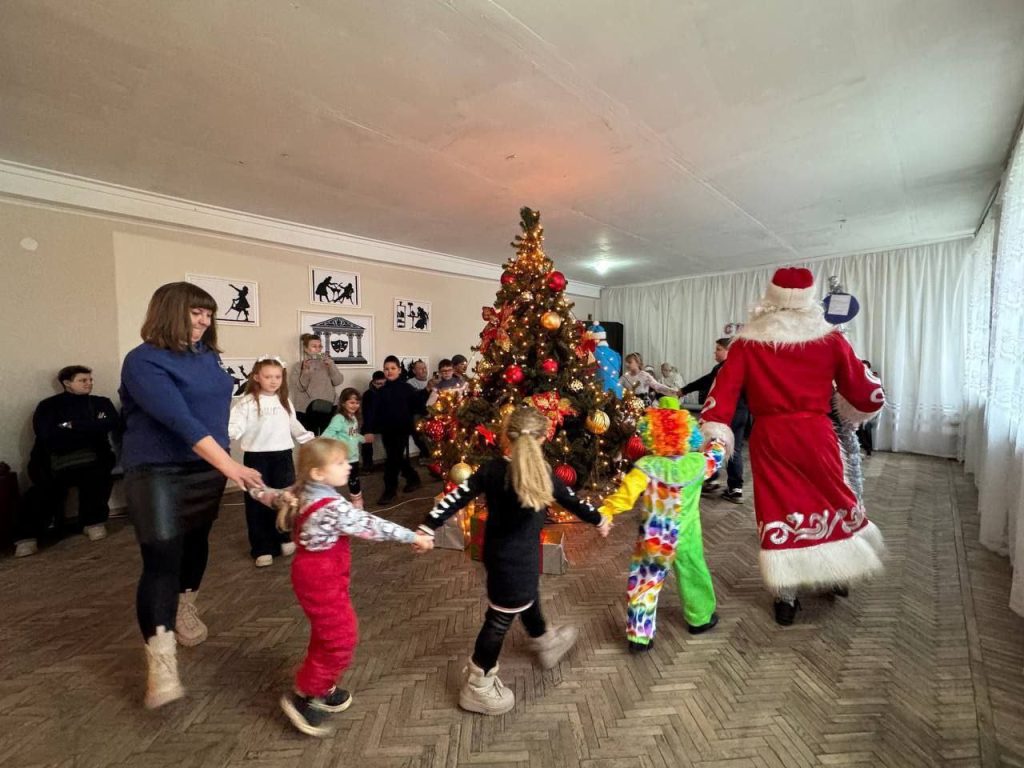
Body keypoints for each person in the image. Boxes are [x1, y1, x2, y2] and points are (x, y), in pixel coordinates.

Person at [700, 267, 885, 626]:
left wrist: (716, 435)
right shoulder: (830, 338)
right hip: (817, 435)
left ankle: (786, 597)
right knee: (829, 501)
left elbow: (722, 394)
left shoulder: (748, 342)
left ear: (770, 298)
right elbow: (863, 392)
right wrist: (871, 394)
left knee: (779, 508)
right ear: (809, 298)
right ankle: (836, 574)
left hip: (771, 438)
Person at [119, 281, 263, 708]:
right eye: (195, 312)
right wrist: (232, 466)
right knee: (162, 556)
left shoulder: (208, 357)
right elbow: (179, 419)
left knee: (196, 542)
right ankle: (161, 659)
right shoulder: (143, 360)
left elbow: (214, 411)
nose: (203, 320)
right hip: (157, 470)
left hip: (205, 469)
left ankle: (184, 605)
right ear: (168, 311)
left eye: (208, 314)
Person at [416, 407, 609, 715]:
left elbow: (456, 496)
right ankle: (478, 685)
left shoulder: (492, 470)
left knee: (524, 597)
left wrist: (429, 525)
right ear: (543, 438)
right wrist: (599, 519)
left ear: (506, 435)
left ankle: (543, 639)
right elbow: (573, 501)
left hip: (498, 556)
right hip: (516, 564)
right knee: (499, 619)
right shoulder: (544, 474)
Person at [250, 438, 431, 737]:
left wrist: (253, 488)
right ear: (318, 473)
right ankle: (306, 695)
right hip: (321, 579)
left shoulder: (301, 490)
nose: (348, 466)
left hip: (315, 576)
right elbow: (373, 526)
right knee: (341, 638)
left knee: (326, 632)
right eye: (339, 462)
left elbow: (272, 497)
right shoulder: (332, 507)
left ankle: (321, 684)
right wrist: (414, 537)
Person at [599, 398, 727, 652]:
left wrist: (606, 511)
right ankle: (700, 618)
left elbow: (624, 497)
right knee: (694, 573)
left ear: (653, 433)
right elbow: (716, 456)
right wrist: (718, 441)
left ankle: (639, 637)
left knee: (645, 581)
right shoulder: (697, 463)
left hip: (655, 539)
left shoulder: (646, 467)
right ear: (687, 432)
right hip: (687, 536)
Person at [14, 365, 119, 557]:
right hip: (53, 461)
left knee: (98, 477)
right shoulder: (48, 406)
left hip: (95, 458)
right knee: (42, 492)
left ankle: (93, 522)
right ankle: (27, 537)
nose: (89, 383)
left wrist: (72, 425)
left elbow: (110, 423)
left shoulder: (100, 403)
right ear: (67, 383)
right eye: (83, 380)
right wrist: (89, 428)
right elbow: (47, 435)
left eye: (90, 380)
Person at [228, 356, 313, 567]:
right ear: (257, 377)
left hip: (282, 457)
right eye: (268, 377)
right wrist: (226, 434)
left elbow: (294, 425)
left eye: (277, 377)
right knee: (258, 503)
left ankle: (284, 538)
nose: (274, 381)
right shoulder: (247, 402)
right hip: (256, 459)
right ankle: (262, 547)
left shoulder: (284, 401)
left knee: (286, 499)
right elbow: (234, 426)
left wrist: (310, 441)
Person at [681, 338, 751, 504]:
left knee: (714, 443)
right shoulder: (742, 368)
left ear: (729, 351)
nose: (715, 352)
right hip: (741, 413)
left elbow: (705, 381)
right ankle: (735, 488)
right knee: (734, 448)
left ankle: (712, 478)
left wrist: (684, 390)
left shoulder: (724, 368)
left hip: (725, 415)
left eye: (719, 349)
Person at [363, 356, 432, 506]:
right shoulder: (381, 391)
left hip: (402, 429)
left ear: (399, 370)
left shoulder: (406, 388)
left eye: (393, 368)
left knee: (392, 460)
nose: (389, 371)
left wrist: (427, 413)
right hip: (387, 430)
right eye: (386, 369)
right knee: (396, 457)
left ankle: (390, 490)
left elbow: (417, 404)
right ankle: (413, 478)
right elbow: (372, 412)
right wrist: (368, 430)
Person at [323, 388, 369, 509]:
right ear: (343, 403)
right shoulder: (339, 418)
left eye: (357, 403)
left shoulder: (353, 418)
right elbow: (327, 435)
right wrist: (337, 447)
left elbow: (352, 435)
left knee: (354, 481)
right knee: (334, 481)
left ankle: (357, 504)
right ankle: (329, 504)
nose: (355, 405)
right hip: (341, 459)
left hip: (353, 457)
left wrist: (363, 439)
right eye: (351, 402)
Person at [289, 334, 344, 436]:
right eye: (314, 346)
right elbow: (300, 388)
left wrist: (331, 366)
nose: (317, 349)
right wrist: (305, 372)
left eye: (320, 346)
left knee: (328, 440)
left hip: (329, 406)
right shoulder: (298, 366)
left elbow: (338, 381)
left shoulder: (328, 364)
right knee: (310, 441)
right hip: (306, 409)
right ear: (306, 349)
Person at [359, 371, 386, 472]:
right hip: (373, 422)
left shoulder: (389, 391)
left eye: (384, 383)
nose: (382, 386)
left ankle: (394, 461)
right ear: (373, 382)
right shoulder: (368, 394)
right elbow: (367, 413)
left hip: (387, 421)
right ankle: (367, 464)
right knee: (365, 433)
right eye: (379, 384)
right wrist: (368, 429)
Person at [856, 360, 879, 457]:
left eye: (865, 367)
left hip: (867, 409)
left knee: (861, 424)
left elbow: (877, 396)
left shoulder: (873, 379)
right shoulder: (855, 377)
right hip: (855, 408)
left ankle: (866, 447)